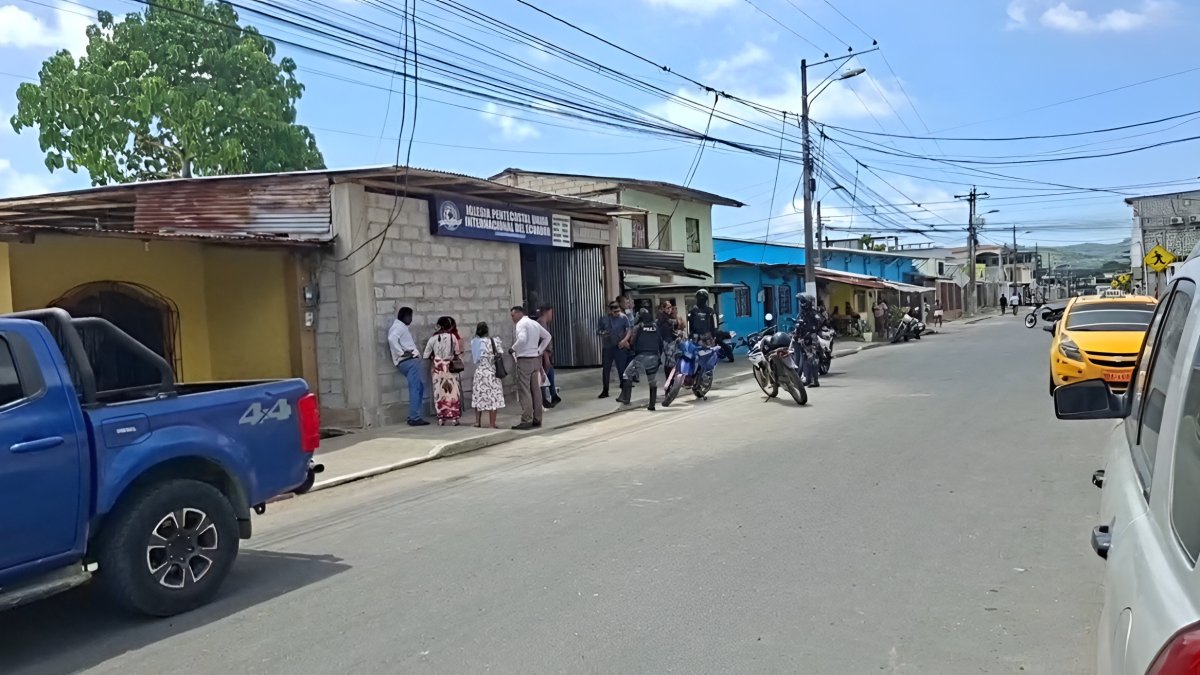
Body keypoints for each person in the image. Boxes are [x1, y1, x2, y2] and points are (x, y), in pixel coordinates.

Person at [510, 305, 551, 430]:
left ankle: (526, 419)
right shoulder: (534, 323)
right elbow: (547, 336)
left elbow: (522, 339)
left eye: (513, 315)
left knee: (525, 390)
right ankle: (537, 418)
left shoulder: (521, 324)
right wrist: (539, 350)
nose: (512, 318)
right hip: (535, 359)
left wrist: (513, 348)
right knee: (536, 390)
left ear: (519, 313)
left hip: (525, 359)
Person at [387, 306, 428, 427]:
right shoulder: (399, 327)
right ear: (404, 316)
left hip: (408, 362)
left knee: (419, 387)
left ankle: (415, 415)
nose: (411, 319)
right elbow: (392, 339)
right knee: (415, 388)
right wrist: (402, 353)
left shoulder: (400, 327)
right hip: (409, 362)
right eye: (410, 316)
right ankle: (414, 417)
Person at [618, 308, 665, 410]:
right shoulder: (655, 327)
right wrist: (658, 357)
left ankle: (626, 398)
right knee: (652, 381)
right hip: (654, 357)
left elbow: (633, 341)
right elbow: (661, 343)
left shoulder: (638, 327)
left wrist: (633, 349)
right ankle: (652, 405)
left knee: (627, 374)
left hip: (640, 357)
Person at [423, 316, 462, 426]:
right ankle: (454, 418)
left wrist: (435, 357)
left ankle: (441, 417)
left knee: (439, 392)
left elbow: (426, 355)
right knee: (453, 392)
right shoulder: (453, 337)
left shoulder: (433, 339)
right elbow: (457, 352)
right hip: (450, 368)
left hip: (437, 368)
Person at [469, 322, 505, 429]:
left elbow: (475, 359)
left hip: (479, 372)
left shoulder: (474, 342)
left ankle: (477, 422)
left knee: (478, 397)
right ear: (487, 330)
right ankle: (492, 423)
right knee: (492, 398)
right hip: (491, 372)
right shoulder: (494, 341)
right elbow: (500, 354)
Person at [596, 299, 632, 399]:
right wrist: (603, 333)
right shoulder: (604, 319)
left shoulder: (623, 317)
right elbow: (598, 331)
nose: (617, 313)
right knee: (606, 369)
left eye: (618, 311)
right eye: (615, 311)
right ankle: (605, 389)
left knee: (621, 369)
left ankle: (624, 390)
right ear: (610, 311)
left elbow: (629, 330)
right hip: (608, 346)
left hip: (619, 346)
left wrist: (625, 341)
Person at [793, 295, 821, 387]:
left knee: (812, 359)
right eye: (801, 302)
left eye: (803, 302)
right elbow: (797, 324)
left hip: (811, 338)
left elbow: (818, 324)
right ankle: (808, 379)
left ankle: (815, 381)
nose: (801, 304)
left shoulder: (813, 313)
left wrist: (809, 329)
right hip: (802, 339)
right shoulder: (801, 314)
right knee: (805, 359)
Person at [536, 305, 561, 408]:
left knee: (550, 374)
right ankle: (543, 399)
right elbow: (542, 341)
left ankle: (553, 394)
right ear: (548, 312)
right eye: (551, 313)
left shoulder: (544, 323)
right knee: (543, 376)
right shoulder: (541, 323)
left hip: (547, 354)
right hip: (544, 354)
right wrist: (546, 356)